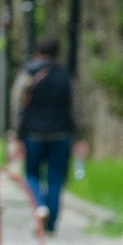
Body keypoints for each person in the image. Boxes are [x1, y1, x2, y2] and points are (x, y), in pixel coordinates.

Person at [12, 40, 77, 233]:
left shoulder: (28, 74)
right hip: (61, 132)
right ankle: (50, 224)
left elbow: (17, 106)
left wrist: (16, 133)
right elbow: (75, 107)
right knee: (55, 178)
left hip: (33, 132)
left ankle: (39, 205)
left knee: (31, 174)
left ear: (36, 52)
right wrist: (79, 134)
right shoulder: (66, 75)